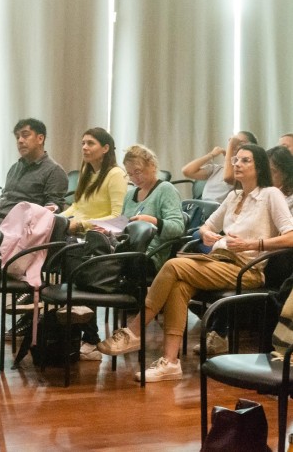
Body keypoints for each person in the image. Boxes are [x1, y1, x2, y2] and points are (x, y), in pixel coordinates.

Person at [98, 144, 293, 382]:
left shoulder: (270, 194)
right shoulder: (233, 196)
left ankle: (135, 330)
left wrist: (254, 244)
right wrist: (206, 234)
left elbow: (291, 236)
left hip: (246, 269)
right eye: (236, 160)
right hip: (218, 261)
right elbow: (205, 226)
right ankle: (170, 362)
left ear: (259, 166)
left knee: (172, 266)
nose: (237, 164)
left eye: (245, 161)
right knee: (179, 286)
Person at [194, 144, 293, 356]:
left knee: (182, 267)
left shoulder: (277, 196)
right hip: (251, 253)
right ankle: (218, 331)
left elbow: (288, 234)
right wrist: (211, 234)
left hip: (276, 260)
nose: (269, 174)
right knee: (197, 242)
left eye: (273, 170)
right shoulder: (251, 194)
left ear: (285, 173)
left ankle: (220, 330)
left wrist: (253, 243)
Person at [60, 127, 128, 360]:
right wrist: (60, 218)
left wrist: (81, 225)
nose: (85, 148)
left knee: (68, 256)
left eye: (90, 143)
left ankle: (89, 336)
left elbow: (119, 218)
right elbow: (76, 207)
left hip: (102, 242)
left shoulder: (115, 174)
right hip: (82, 236)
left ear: (105, 148)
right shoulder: (88, 172)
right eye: (83, 143)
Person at [120, 144, 185, 272]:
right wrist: (110, 230)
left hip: (150, 255)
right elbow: (123, 226)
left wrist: (152, 221)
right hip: (127, 250)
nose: (134, 178)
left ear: (152, 166)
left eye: (138, 172)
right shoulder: (129, 195)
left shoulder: (165, 189)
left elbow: (178, 228)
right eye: (130, 174)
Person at [0, 118, 69, 220]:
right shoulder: (14, 168)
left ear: (40, 139)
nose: (20, 140)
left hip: (24, 227)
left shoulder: (54, 171)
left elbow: (53, 207)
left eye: (25, 135)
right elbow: (4, 196)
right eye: (17, 137)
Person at [181, 131, 258, 203]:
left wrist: (230, 147)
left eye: (239, 143)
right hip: (203, 210)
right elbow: (187, 171)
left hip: (221, 210)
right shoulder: (217, 169)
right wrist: (211, 154)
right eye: (233, 142)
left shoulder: (245, 171)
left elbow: (228, 178)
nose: (234, 145)